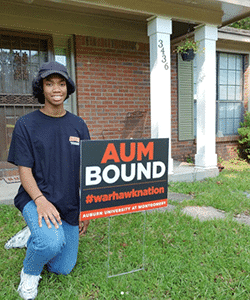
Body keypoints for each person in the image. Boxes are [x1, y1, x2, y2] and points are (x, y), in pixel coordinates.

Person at [7, 61, 90, 300]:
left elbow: (88, 170)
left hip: (69, 202)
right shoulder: (26, 125)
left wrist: (87, 209)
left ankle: (31, 235)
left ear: (68, 88)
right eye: (50, 83)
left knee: (62, 268)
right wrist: (41, 201)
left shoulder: (78, 125)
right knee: (50, 244)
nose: (56, 89)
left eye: (61, 83)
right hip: (36, 197)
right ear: (41, 88)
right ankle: (29, 275)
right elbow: (24, 171)